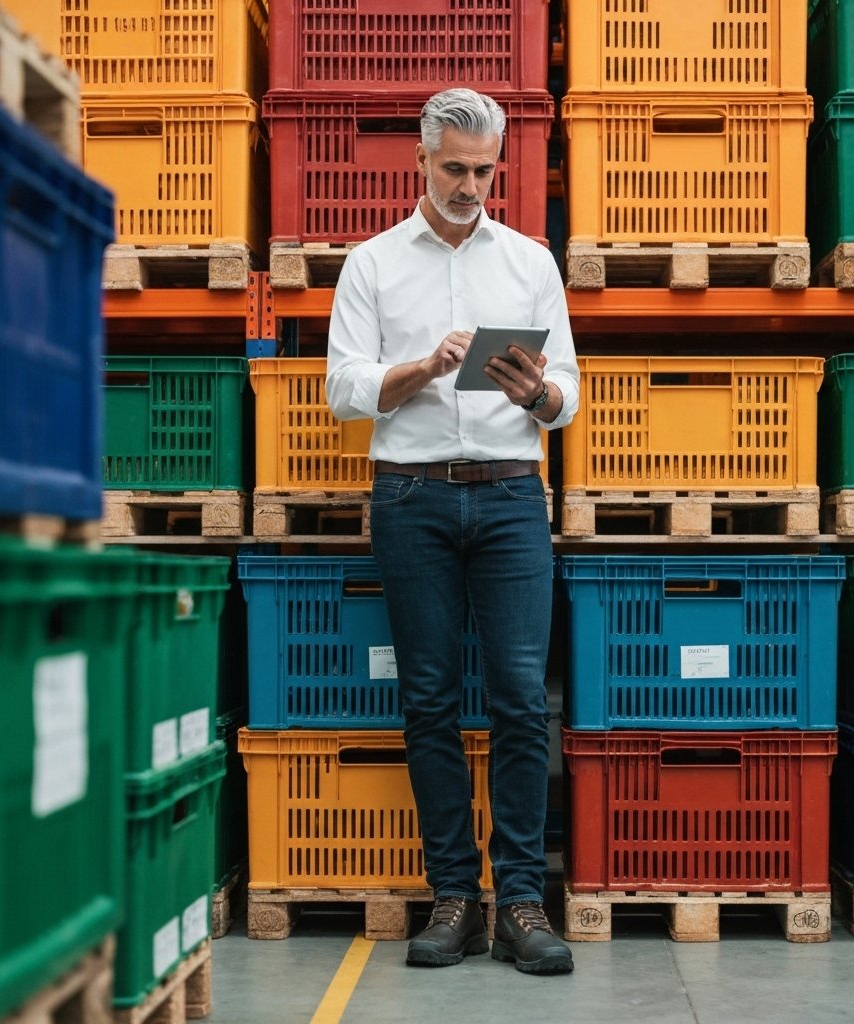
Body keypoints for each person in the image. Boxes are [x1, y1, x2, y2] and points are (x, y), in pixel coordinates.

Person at [326, 88, 579, 975]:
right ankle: (453, 898)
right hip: (411, 499)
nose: (471, 185)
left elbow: (567, 398)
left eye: (484, 170)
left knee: (517, 699)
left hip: (511, 497)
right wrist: (421, 367)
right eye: (455, 169)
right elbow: (345, 390)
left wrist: (535, 394)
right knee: (429, 702)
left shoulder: (530, 262)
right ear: (422, 162)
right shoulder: (374, 264)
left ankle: (519, 902)